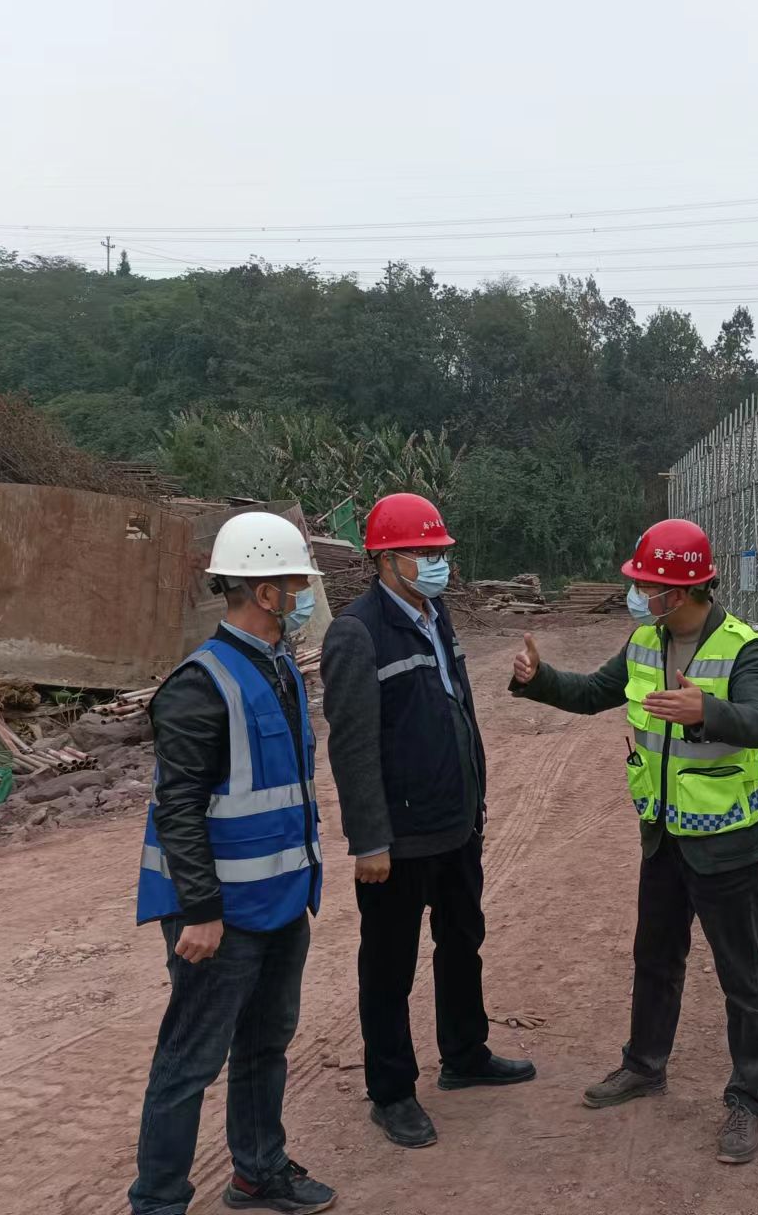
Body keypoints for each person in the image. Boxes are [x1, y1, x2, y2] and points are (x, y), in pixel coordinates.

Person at [509, 518, 758, 1165]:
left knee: (741, 976)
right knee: (655, 958)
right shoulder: (643, 641)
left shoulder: (741, 648)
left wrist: (707, 711)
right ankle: (644, 1065)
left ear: (679, 591)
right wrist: (538, 678)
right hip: (663, 837)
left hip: (727, 843)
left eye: (646, 584)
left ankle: (745, 1099)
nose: (637, 593)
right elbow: (592, 694)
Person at [129, 512, 335, 1215]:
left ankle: (258, 1172)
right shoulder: (199, 684)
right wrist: (200, 910)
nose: (303, 595)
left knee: (265, 1046)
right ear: (264, 592)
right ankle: (158, 1201)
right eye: (295, 584)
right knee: (190, 1061)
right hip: (220, 917)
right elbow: (178, 808)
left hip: (281, 901)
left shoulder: (279, 668)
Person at [320, 492, 532, 1150]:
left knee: (462, 941)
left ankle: (465, 1053)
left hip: (455, 823)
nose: (437, 562)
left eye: (439, 551)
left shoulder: (437, 616)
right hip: (399, 838)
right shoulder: (357, 633)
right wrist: (370, 840)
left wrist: (476, 800)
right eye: (423, 551)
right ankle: (391, 1092)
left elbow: (457, 710)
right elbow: (352, 746)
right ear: (385, 559)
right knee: (389, 965)